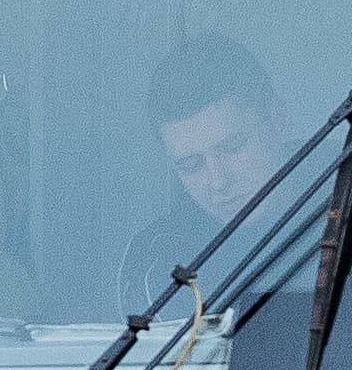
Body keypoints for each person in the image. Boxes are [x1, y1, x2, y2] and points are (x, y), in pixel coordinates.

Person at [117, 33, 283, 297]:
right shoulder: (158, 261)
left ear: (274, 118)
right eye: (192, 165)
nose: (218, 180)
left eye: (232, 148)